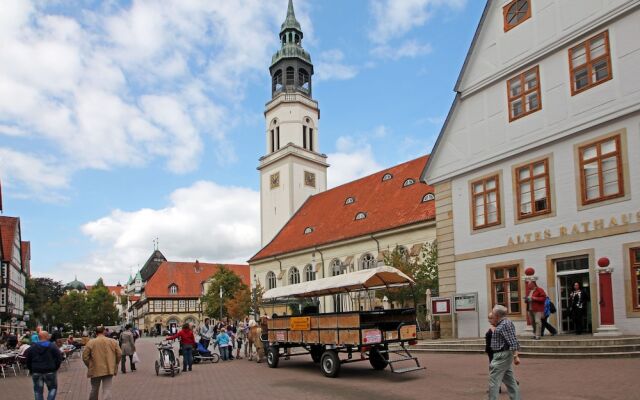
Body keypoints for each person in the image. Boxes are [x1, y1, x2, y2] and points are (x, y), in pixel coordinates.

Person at [488, 305, 521, 400]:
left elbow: (513, 341)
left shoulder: (505, 324)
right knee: (510, 381)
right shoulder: (502, 323)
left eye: (493, 313)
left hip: (502, 355)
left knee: (493, 381)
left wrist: (516, 356)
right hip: (502, 354)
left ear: (497, 315)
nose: (491, 315)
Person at [83, 326, 122, 400]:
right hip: (109, 368)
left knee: (94, 389)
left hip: (95, 368)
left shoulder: (91, 342)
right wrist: (115, 363)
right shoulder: (113, 341)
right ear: (104, 331)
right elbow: (119, 354)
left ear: (96, 332)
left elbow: (85, 357)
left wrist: (90, 365)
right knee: (107, 389)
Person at [26, 331, 64, 400]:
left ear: (38, 337)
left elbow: (28, 360)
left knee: (38, 391)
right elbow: (59, 358)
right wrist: (55, 367)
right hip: (50, 370)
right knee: (52, 388)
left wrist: (31, 369)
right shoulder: (52, 346)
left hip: (36, 371)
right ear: (47, 337)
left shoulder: (32, 347)